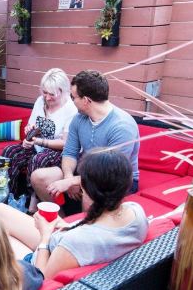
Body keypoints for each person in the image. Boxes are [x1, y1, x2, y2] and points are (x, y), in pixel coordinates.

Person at [0, 149, 148, 280]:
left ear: (93, 194)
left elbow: (43, 278)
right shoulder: (135, 212)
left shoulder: (76, 241)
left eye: (82, 190)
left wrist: (45, 235)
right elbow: (95, 230)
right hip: (59, 244)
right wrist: (64, 226)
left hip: (39, 259)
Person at [30, 70, 140, 207]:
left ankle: (85, 220)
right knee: (39, 177)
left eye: (73, 97)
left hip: (115, 179)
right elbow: (69, 153)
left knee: (89, 193)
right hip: (86, 171)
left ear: (86, 100)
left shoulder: (121, 126)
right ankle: (60, 218)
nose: (71, 101)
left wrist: (73, 182)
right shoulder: (79, 119)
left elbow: (109, 172)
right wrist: (69, 177)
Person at [2, 68, 77, 213]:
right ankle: (11, 196)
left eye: (52, 94)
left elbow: (66, 143)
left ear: (63, 91)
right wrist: (29, 134)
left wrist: (39, 142)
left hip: (57, 151)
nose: (47, 98)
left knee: (38, 159)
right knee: (10, 152)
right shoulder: (40, 101)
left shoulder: (71, 110)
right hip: (37, 145)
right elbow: (32, 126)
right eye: (45, 92)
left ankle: (32, 202)